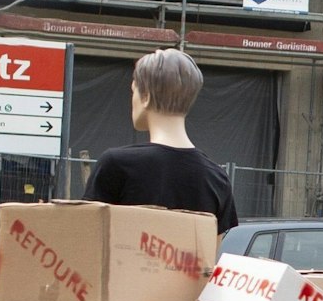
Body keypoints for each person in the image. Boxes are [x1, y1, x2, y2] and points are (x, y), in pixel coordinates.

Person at [83, 50, 240, 233]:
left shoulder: (116, 165)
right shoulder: (217, 179)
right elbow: (208, 255)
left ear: (146, 96)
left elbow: (88, 241)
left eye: (133, 91)